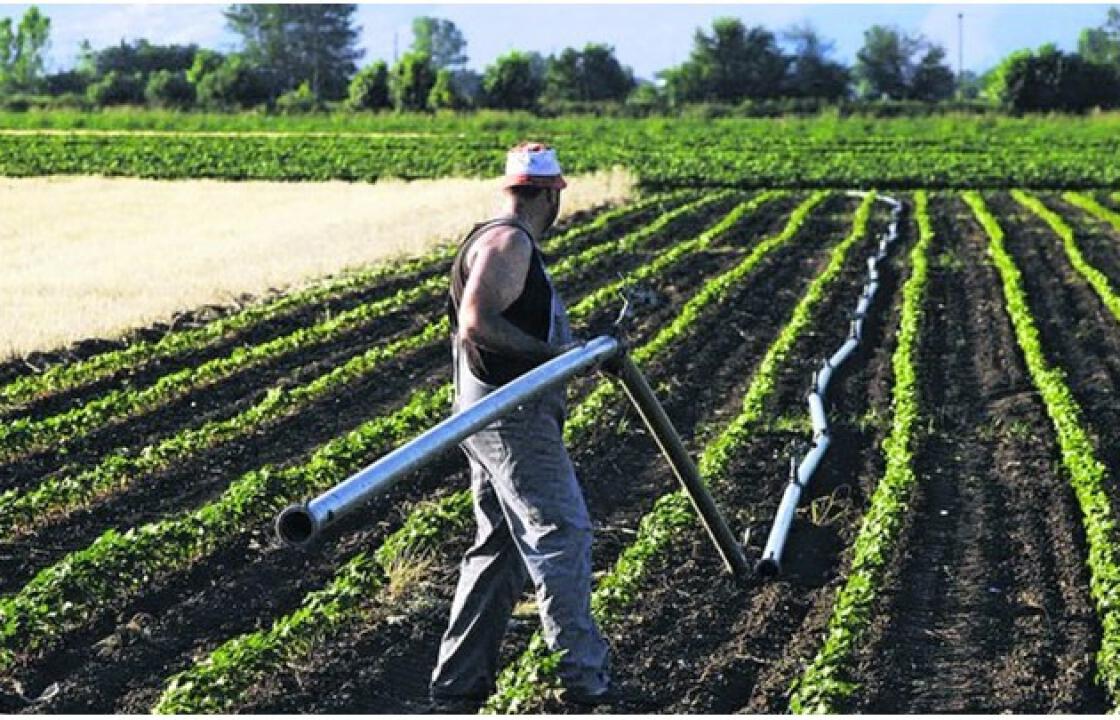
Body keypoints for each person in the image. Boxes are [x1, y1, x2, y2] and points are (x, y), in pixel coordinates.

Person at [429, 142, 613, 710]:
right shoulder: (509, 242)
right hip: (512, 417)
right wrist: (551, 360)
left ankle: (458, 685)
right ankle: (582, 683)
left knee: (501, 545)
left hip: (485, 414)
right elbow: (476, 323)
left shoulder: (487, 236)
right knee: (563, 532)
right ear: (552, 194)